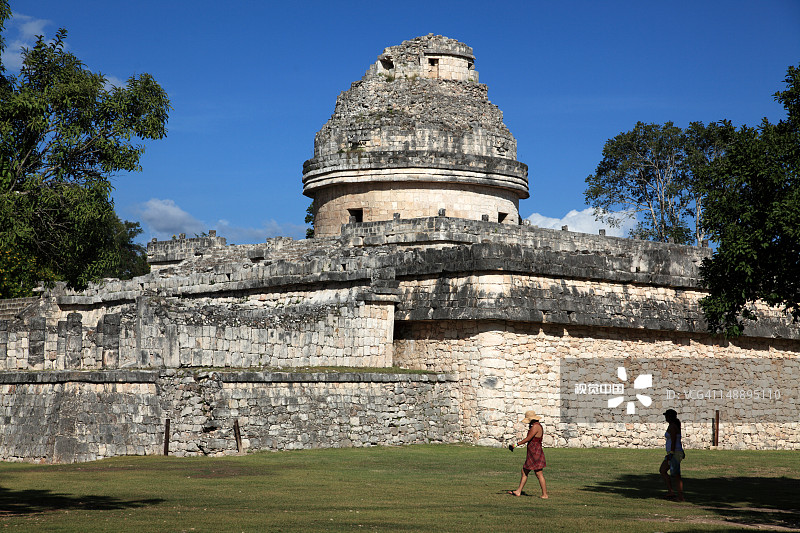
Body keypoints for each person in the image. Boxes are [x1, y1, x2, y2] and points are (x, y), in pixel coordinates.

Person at [508, 410, 548, 498]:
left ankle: (545, 494)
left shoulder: (535, 427)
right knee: (525, 471)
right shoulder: (535, 426)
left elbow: (528, 439)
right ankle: (518, 491)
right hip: (533, 452)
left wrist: (516, 444)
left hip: (535, 452)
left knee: (538, 473)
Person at [660, 408, 685, 501]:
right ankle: (671, 491)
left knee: (676, 475)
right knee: (663, 470)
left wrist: (671, 453)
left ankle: (680, 496)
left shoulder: (673, 426)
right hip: (674, 452)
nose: (665, 417)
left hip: (674, 453)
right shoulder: (673, 425)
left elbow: (674, 440)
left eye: (666, 415)